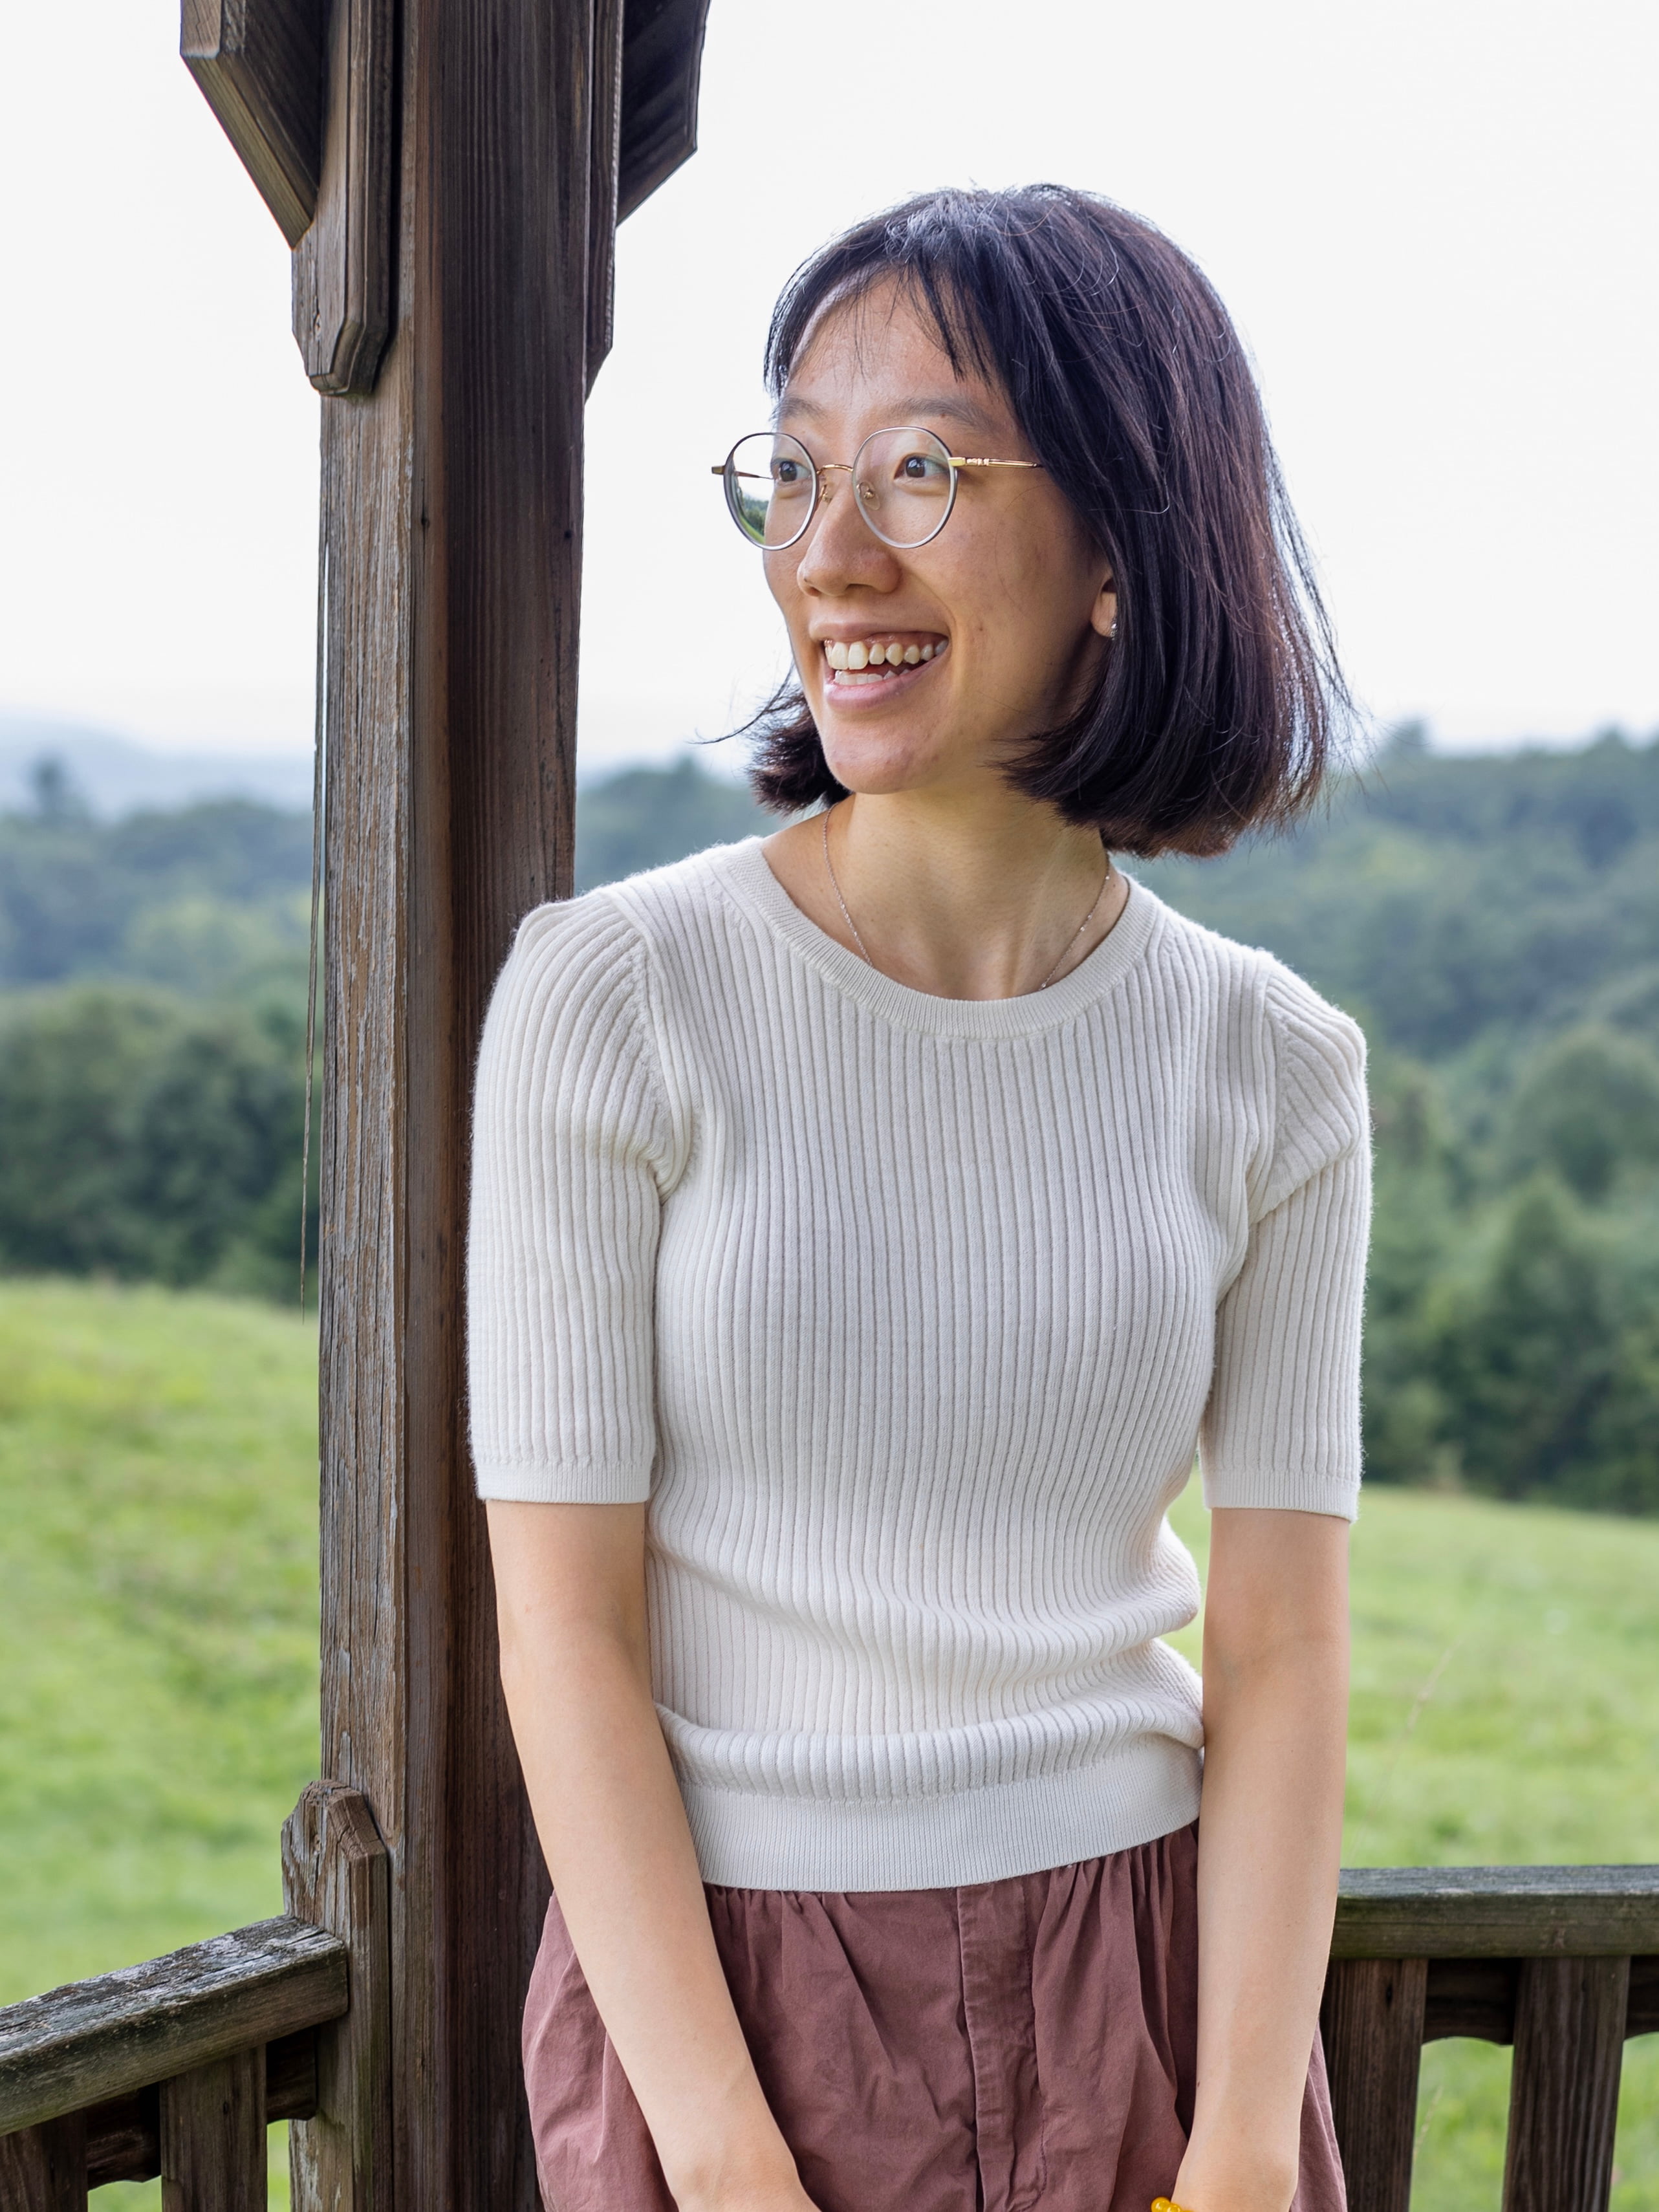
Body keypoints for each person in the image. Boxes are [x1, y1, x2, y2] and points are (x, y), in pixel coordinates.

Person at [468, 184, 1369, 2212]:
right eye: (793, 474)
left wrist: (1239, 2136)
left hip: (1152, 1984)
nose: (830, 556)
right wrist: (717, 2147)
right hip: (735, 2005)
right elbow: (566, 1631)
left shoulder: (1274, 1063)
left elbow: (1286, 1643)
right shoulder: (614, 998)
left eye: (923, 471)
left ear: (1127, 546)